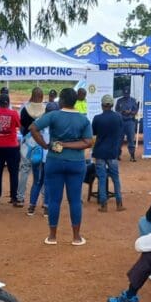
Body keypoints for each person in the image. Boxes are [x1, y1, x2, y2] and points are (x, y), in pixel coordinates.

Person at [30, 87, 93, 245]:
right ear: (75, 101)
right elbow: (87, 142)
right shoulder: (83, 119)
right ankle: (76, 237)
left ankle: (52, 236)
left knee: (54, 200)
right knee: (75, 200)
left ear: (62, 101)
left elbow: (33, 128)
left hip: (54, 160)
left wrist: (45, 145)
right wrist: (68, 145)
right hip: (76, 163)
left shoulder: (53, 115)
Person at [92, 95, 124, 212]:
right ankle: (119, 203)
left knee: (102, 178)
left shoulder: (97, 118)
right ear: (112, 105)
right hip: (112, 152)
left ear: (102, 105)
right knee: (115, 178)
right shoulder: (118, 117)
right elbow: (120, 131)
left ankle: (104, 205)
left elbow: (94, 133)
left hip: (100, 151)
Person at [18, 88, 47, 207]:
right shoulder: (45, 109)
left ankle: (20, 198)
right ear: (42, 96)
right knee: (42, 171)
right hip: (41, 142)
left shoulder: (25, 109)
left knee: (24, 169)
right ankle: (45, 200)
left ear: (32, 95)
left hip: (27, 142)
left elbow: (21, 126)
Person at [0, 93, 22, 206]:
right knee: (13, 172)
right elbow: (19, 125)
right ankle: (14, 197)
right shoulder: (13, 113)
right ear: (8, 103)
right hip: (12, 146)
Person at [115, 87, 140, 162]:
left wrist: (130, 112)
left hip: (130, 122)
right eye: (125, 94)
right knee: (119, 139)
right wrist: (122, 112)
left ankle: (132, 156)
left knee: (131, 140)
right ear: (123, 93)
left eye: (127, 94)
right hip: (121, 122)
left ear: (129, 93)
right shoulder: (119, 101)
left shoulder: (133, 100)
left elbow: (136, 111)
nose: (126, 95)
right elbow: (116, 110)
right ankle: (117, 155)